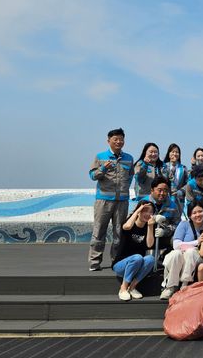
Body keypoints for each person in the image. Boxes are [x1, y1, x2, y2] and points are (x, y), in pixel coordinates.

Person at [88, 128, 134, 271]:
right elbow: (92, 175)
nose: (119, 142)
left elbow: (130, 176)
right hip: (104, 200)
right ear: (109, 141)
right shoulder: (100, 156)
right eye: (116, 139)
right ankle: (94, 262)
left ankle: (116, 261)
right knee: (99, 231)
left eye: (121, 139)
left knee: (119, 232)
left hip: (122, 201)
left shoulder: (129, 158)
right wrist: (103, 169)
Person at [159, 200, 203, 300]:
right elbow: (176, 245)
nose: (198, 215)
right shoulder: (184, 224)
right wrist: (196, 242)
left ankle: (184, 284)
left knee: (190, 252)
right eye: (194, 213)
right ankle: (170, 287)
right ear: (190, 215)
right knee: (176, 253)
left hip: (197, 258)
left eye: (200, 211)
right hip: (181, 257)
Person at [113, 200, 156, 301]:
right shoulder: (130, 223)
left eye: (151, 212)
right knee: (137, 257)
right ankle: (123, 288)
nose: (148, 214)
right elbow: (126, 227)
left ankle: (132, 287)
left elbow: (149, 244)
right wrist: (137, 211)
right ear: (139, 211)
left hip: (137, 264)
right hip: (121, 265)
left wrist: (150, 226)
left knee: (150, 259)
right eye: (145, 210)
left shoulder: (149, 226)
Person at [147, 176, 180, 252]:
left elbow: (177, 225)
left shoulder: (173, 206)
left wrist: (165, 231)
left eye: (165, 190)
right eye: (159, 190)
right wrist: (154, 218)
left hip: (164, 238)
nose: (162, 193)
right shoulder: (144, 202)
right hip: (146, 237)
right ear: (152, 190)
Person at [162, 143, 188, 216]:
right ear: (169, 154)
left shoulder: (183, 168)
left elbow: (187, 183)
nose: (175, 154)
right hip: (166, 198)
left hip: (179, 199)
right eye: (172, 152)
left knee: (177, 220)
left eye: (177, 152)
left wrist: (181, 191)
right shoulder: (163, 166)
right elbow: (162, 180)